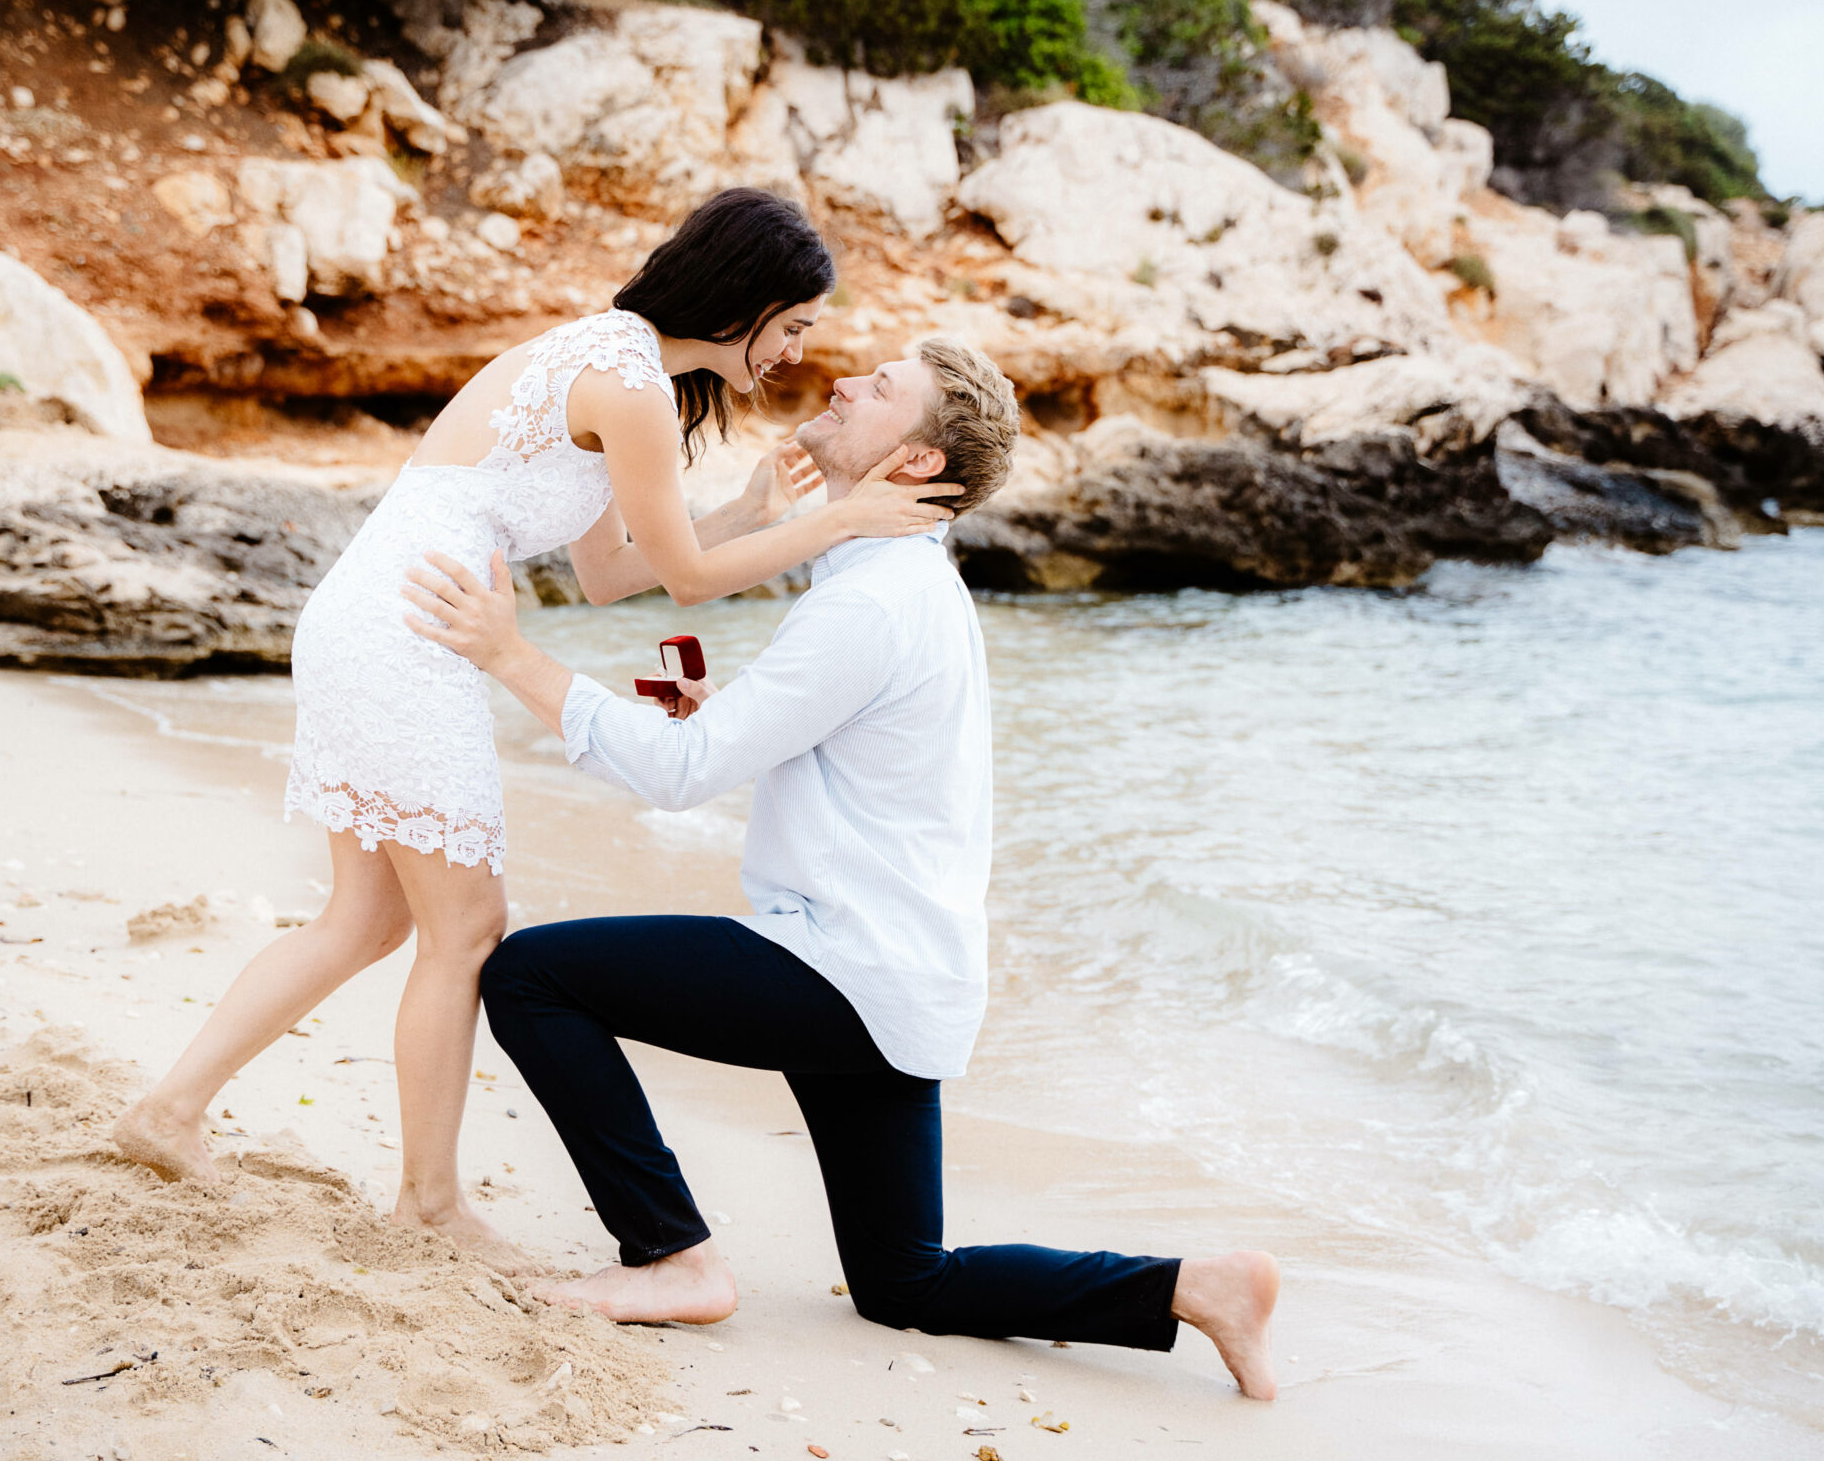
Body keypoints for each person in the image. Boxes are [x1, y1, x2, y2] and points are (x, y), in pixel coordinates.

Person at [401, 337, 1281, 1398]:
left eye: (881, 390)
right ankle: (1195, 1287)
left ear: (911, 464)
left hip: (843, 970)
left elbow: (681, 775)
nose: (848, 380)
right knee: (905, 1281)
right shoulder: (896, 583)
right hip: (905, 983)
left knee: (530, 976)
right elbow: (834, 749)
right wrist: (721, 714)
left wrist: (508, 655)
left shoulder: (871, 602)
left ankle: (671, 1255)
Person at [112, 190, 956, 1266]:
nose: (797, 354)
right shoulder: (633, 383)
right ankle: (424, 1203)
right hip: (416, 629)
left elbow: (609, 576)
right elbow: (690, 586)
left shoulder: (623, 366)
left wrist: (749, 513)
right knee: (465, 929)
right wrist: (837, 519)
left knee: (368, 922)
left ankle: (169, 1109)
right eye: (793, 327)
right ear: (749, 300)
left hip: (390, 617)